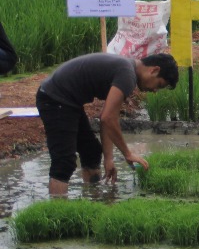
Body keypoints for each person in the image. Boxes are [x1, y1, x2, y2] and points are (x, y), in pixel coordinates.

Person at [35, 52, 178, 197]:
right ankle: (57, 213)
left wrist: (108, 159)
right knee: (64, 161)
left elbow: (108, 116)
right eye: (159, 85)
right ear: (154, 70)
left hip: (68, 101)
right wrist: (128, 154)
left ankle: (93, 199)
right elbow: (108, 118)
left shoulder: (127, 70)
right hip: (54, 99)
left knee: (92, 151)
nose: (154, 91)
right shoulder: (128, 75)